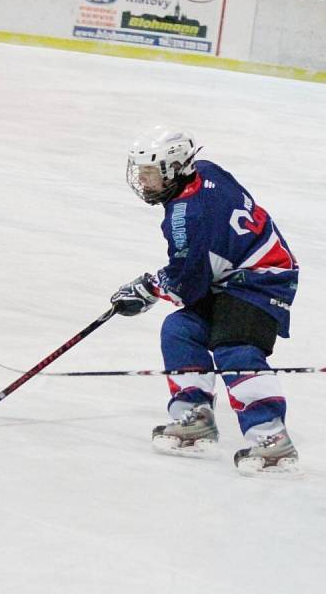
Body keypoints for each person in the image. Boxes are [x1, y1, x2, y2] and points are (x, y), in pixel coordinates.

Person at [110, 126, 301, 476]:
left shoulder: (187, 217)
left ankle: (272, 439)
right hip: (231, 276)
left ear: (176, 170)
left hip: (263, 279)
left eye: (150, 173)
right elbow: (199, 267)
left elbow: (188, 282)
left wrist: (150, 289)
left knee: (235, 347)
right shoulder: (207, 170)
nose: (143, 181)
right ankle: (195, 416)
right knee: (181, 329)